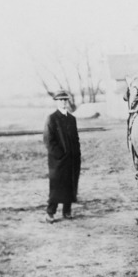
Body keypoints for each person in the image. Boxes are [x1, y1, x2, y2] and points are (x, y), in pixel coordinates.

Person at [43, 90, 81, 223]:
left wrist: (76, 154)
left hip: (72, 159)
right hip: (58, 161)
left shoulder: (72, 119)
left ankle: (67, 211)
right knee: (56, 186)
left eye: (65, 100)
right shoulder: (52, 118)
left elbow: (76, 139)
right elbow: (48, 140)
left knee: (70, 184)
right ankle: (50, 213)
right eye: (60, 100)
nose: (63, 102)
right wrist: (60, 155)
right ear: (56, 102)